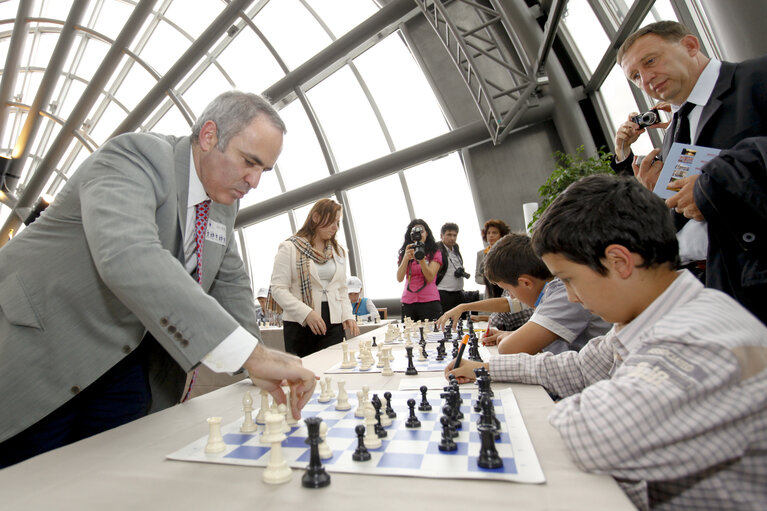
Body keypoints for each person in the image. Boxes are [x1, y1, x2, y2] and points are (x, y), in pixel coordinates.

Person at [0, 91, 317, 468]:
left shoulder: (221, 206)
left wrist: (257, 361)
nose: (254, 182)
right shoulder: (135, 157)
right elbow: (128, 256)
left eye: (263, 170)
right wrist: (254, 354)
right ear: (209, 136)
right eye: (249, 162)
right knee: (29, 485)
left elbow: (230, 284)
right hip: (46, 348)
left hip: (127, 366)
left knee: (107, 484)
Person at [447, 174, 767, 511]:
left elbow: (594, 435)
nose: (570, 297)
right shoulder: (645, 319)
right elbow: (578, 368)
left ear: (619, 261)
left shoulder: (702, 338)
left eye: (570, 280)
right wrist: (485, 366)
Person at [611, 20, 767, 289]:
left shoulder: (757, 77)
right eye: (635, 76)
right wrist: (656, 194)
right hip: (730, 284)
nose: (645, 80)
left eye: (650, 61)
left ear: (691, 46)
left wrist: (712, 186)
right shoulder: (674, 132)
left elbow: (709, 189)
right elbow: (684, 213)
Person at [443, 233, 609, 355]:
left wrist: (512, 338)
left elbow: (509, 348)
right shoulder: (547, 291)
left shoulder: (562, 294)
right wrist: (511, 334)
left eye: (509, 290)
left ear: (525, 283)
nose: (512, 296)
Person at [269, 198, 359, 357]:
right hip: (300, 323)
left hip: (333, 322)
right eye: (332, 221)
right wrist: (307, 313)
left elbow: (341, 289)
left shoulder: (338, 251)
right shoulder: (290, 248)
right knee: (304, 375)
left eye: (337, 223)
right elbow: (278, 289)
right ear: (316, 217)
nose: (335, 227)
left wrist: (347, 315)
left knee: (333, 369)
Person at [396, 219, 442, 321]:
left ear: (427, 233)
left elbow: (430, 277)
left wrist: (421, 258)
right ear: (410, 235)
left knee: (431, 334)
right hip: (408, 302)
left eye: (421, 231)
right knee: (409, 334)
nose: (419, 234)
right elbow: (399, 278)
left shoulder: (435, 252)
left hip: (429, 301)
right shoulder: (406, 251)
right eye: (415, 232)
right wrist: (405, 258)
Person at [435, 222, 469, 316]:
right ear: (441, 236)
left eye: (455, 235)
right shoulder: (437, 250)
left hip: (458, 293)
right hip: (444, 293)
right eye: (449, 235)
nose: (452, 238)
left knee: (461, 323)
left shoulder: (456, 249)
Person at [474, 218, 510, 298]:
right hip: (490, 294)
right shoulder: (481, 254)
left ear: (501, 235)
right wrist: (492, 280)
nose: (491, 235)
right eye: (488, 233)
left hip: (507, 291)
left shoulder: (507, 252)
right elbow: (477, 278)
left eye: (494, 233)